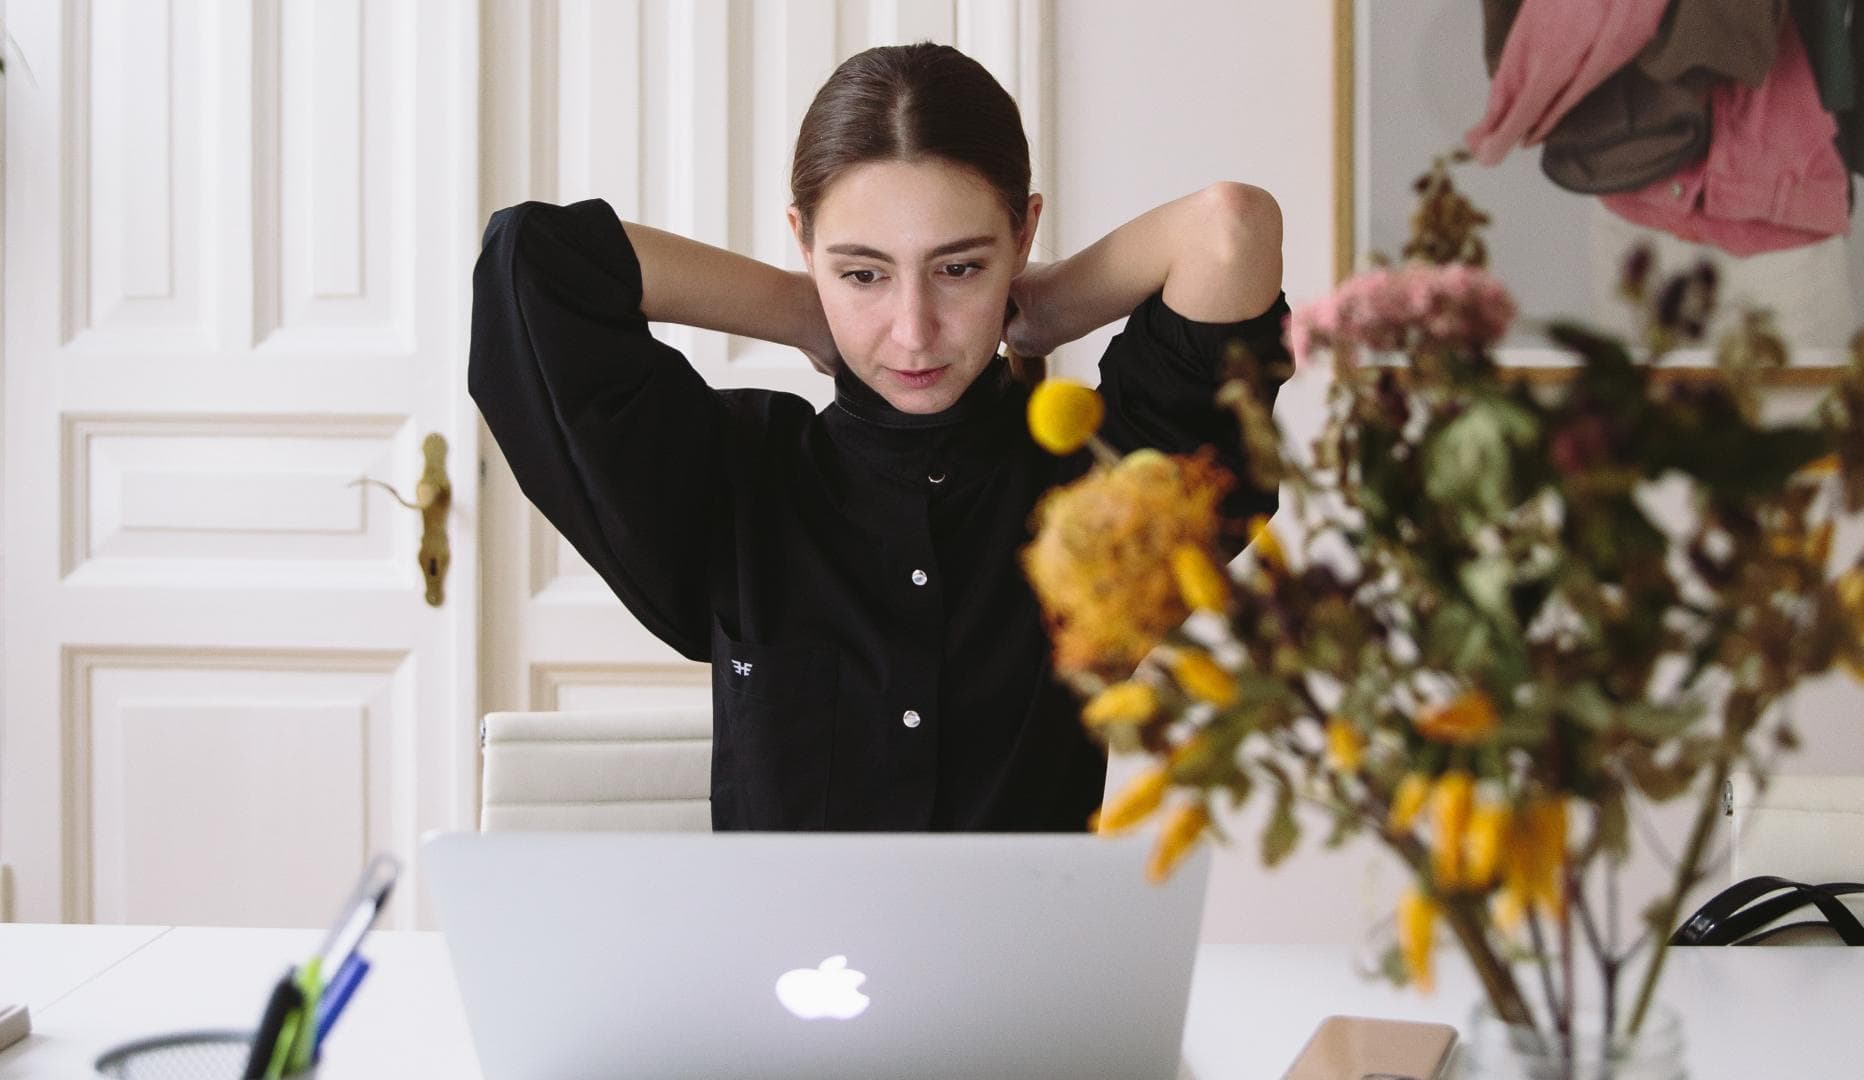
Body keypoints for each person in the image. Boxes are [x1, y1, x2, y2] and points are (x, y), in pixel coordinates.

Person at [468, 42, 1290, 832]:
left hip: (1030, 979)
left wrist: (1042, 309)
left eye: (959, 267)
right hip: (776, 978)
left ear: (1023, 235)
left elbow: (1229, 228)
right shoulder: (736, 480)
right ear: (804, 242)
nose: (913, 331)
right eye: (863, 272)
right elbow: (530, 261)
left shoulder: (1101, 500)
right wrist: (800, 309)